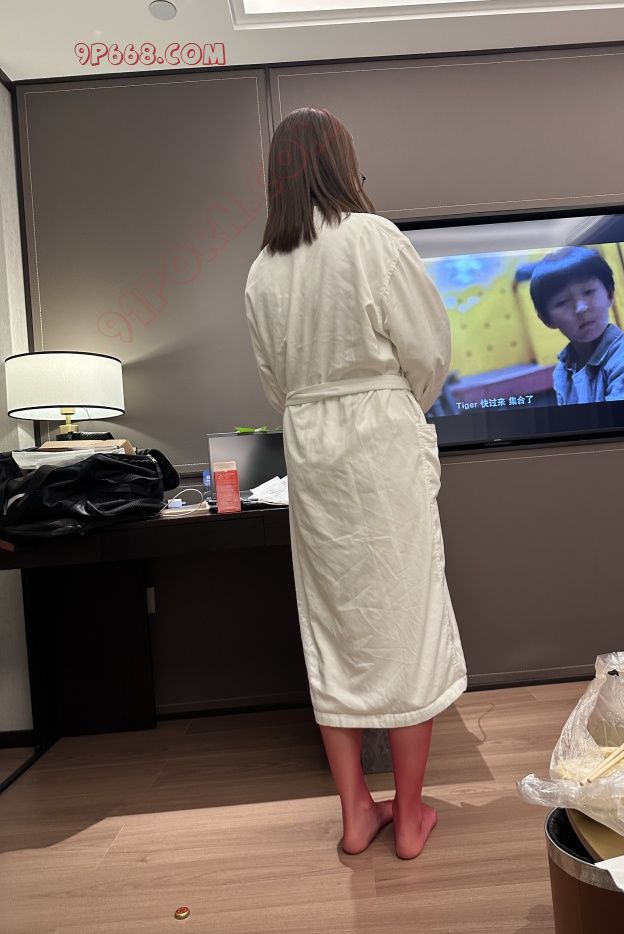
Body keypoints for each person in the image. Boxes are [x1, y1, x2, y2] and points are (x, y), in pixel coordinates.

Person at [244, 108, 468, 860]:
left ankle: (355, 813)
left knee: (333, 626)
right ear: (342, 163)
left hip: (312, 448)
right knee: (406, 620)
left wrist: (319, 410)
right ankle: (408, 817)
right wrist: (396, 403)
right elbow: (429, 351)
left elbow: (275, 385)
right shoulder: (374, 237)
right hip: (379, 440)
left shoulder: (262, 269)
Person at [528, 246, 624, 404]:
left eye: (588, 292)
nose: (580, 308)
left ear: (609, 294)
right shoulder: (563, 369)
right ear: (546, 319)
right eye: (562, 302)